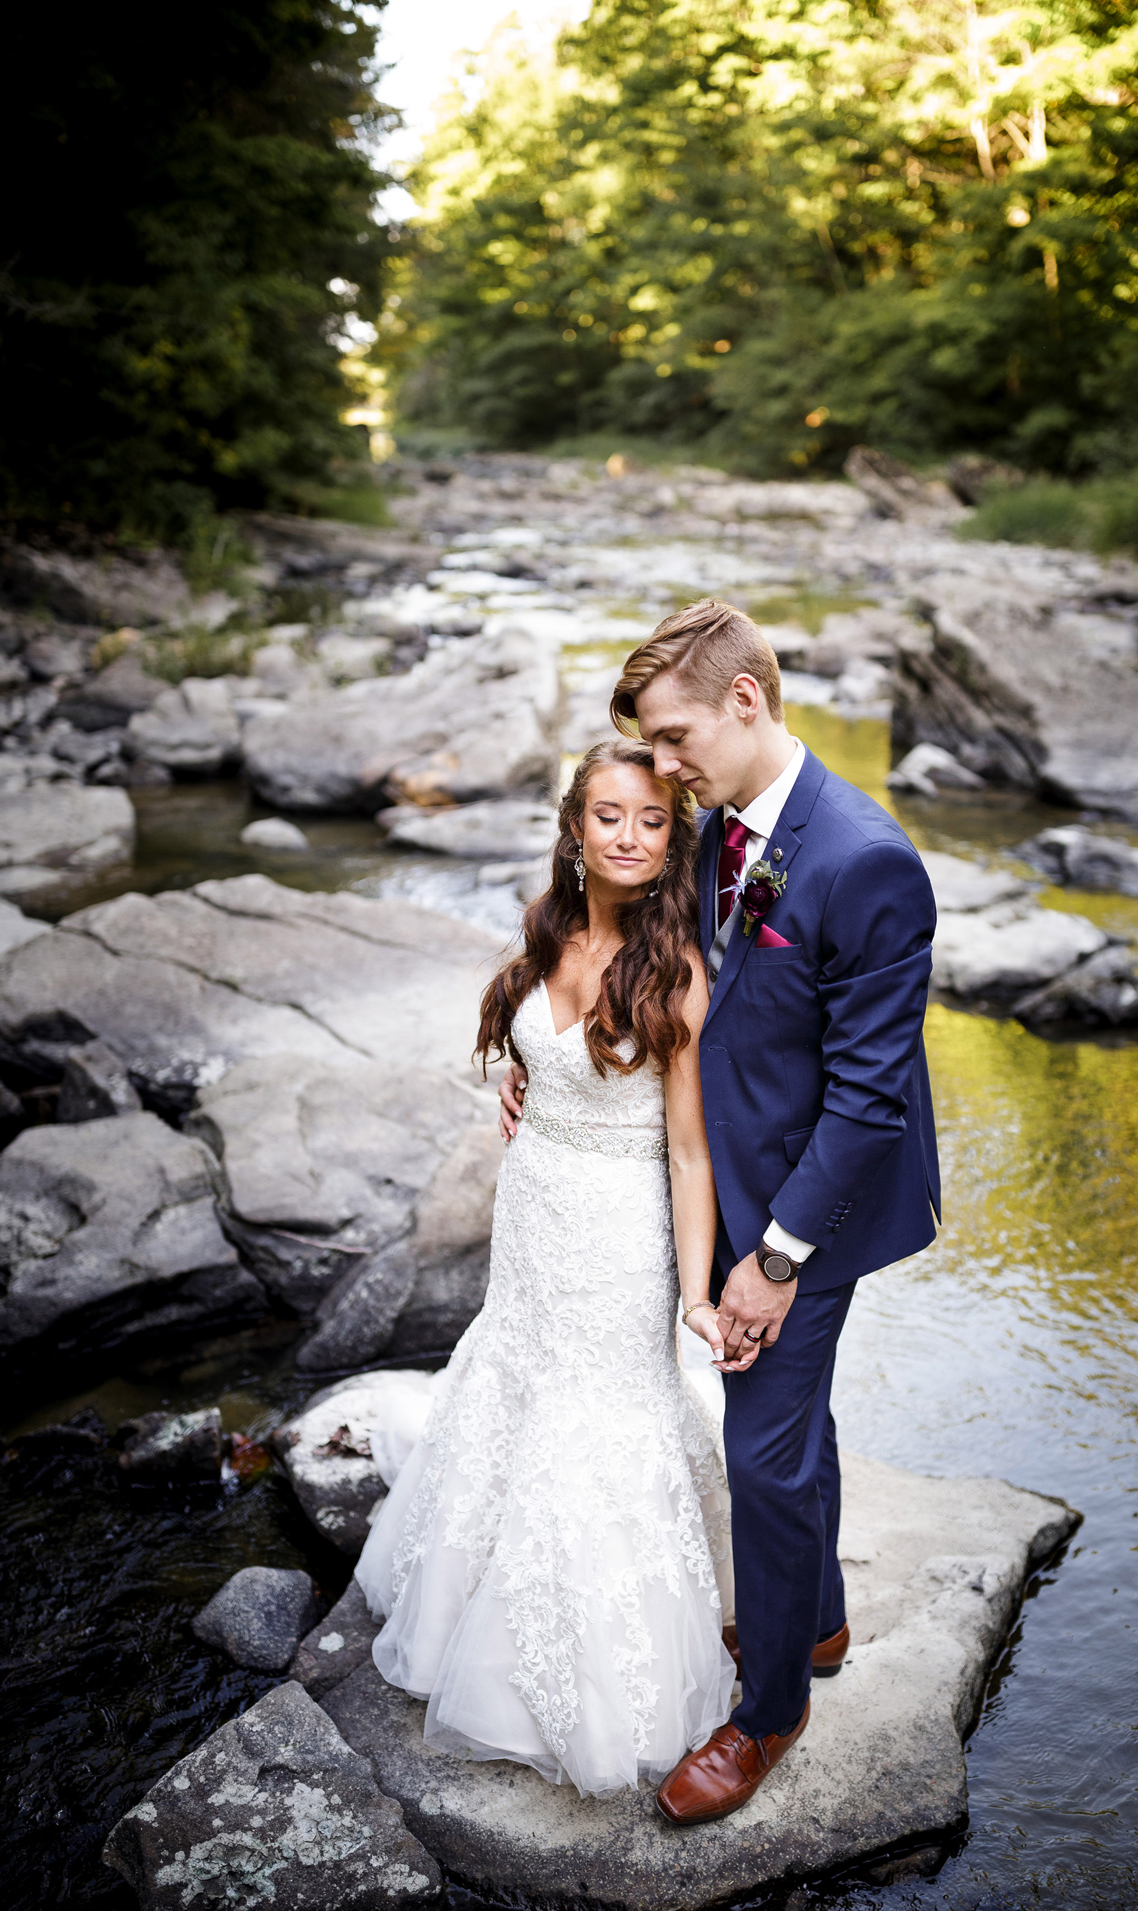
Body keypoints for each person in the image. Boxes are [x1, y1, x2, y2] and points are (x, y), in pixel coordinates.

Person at [502, 600, 940, 1824]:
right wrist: (554, 1072)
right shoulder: (708, 824)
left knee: (760, 1444)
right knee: (795, 1422)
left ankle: (769, 1714)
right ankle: (824, 1620)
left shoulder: (864, 861)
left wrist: (776, 1259)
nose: (664, 764)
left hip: (816, 1200)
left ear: (746, 702)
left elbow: (869, 1101)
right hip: (713, 1167)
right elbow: (629, 942)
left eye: (678, 735)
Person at [354, 734, 740, 1797]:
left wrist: (697, 1292)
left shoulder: (678, 970)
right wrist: (520, 1083)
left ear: (672, 841)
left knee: (599, 1416)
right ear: (574, 830)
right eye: (608, 816)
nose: (628, 836)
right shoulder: (552, 928)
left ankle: (586, 1680)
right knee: (514, 1374)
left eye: (651, 821)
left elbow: (690, 1150)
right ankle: (465, 1591)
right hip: (530, 1210)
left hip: (619, 1230)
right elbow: (539, 1056)